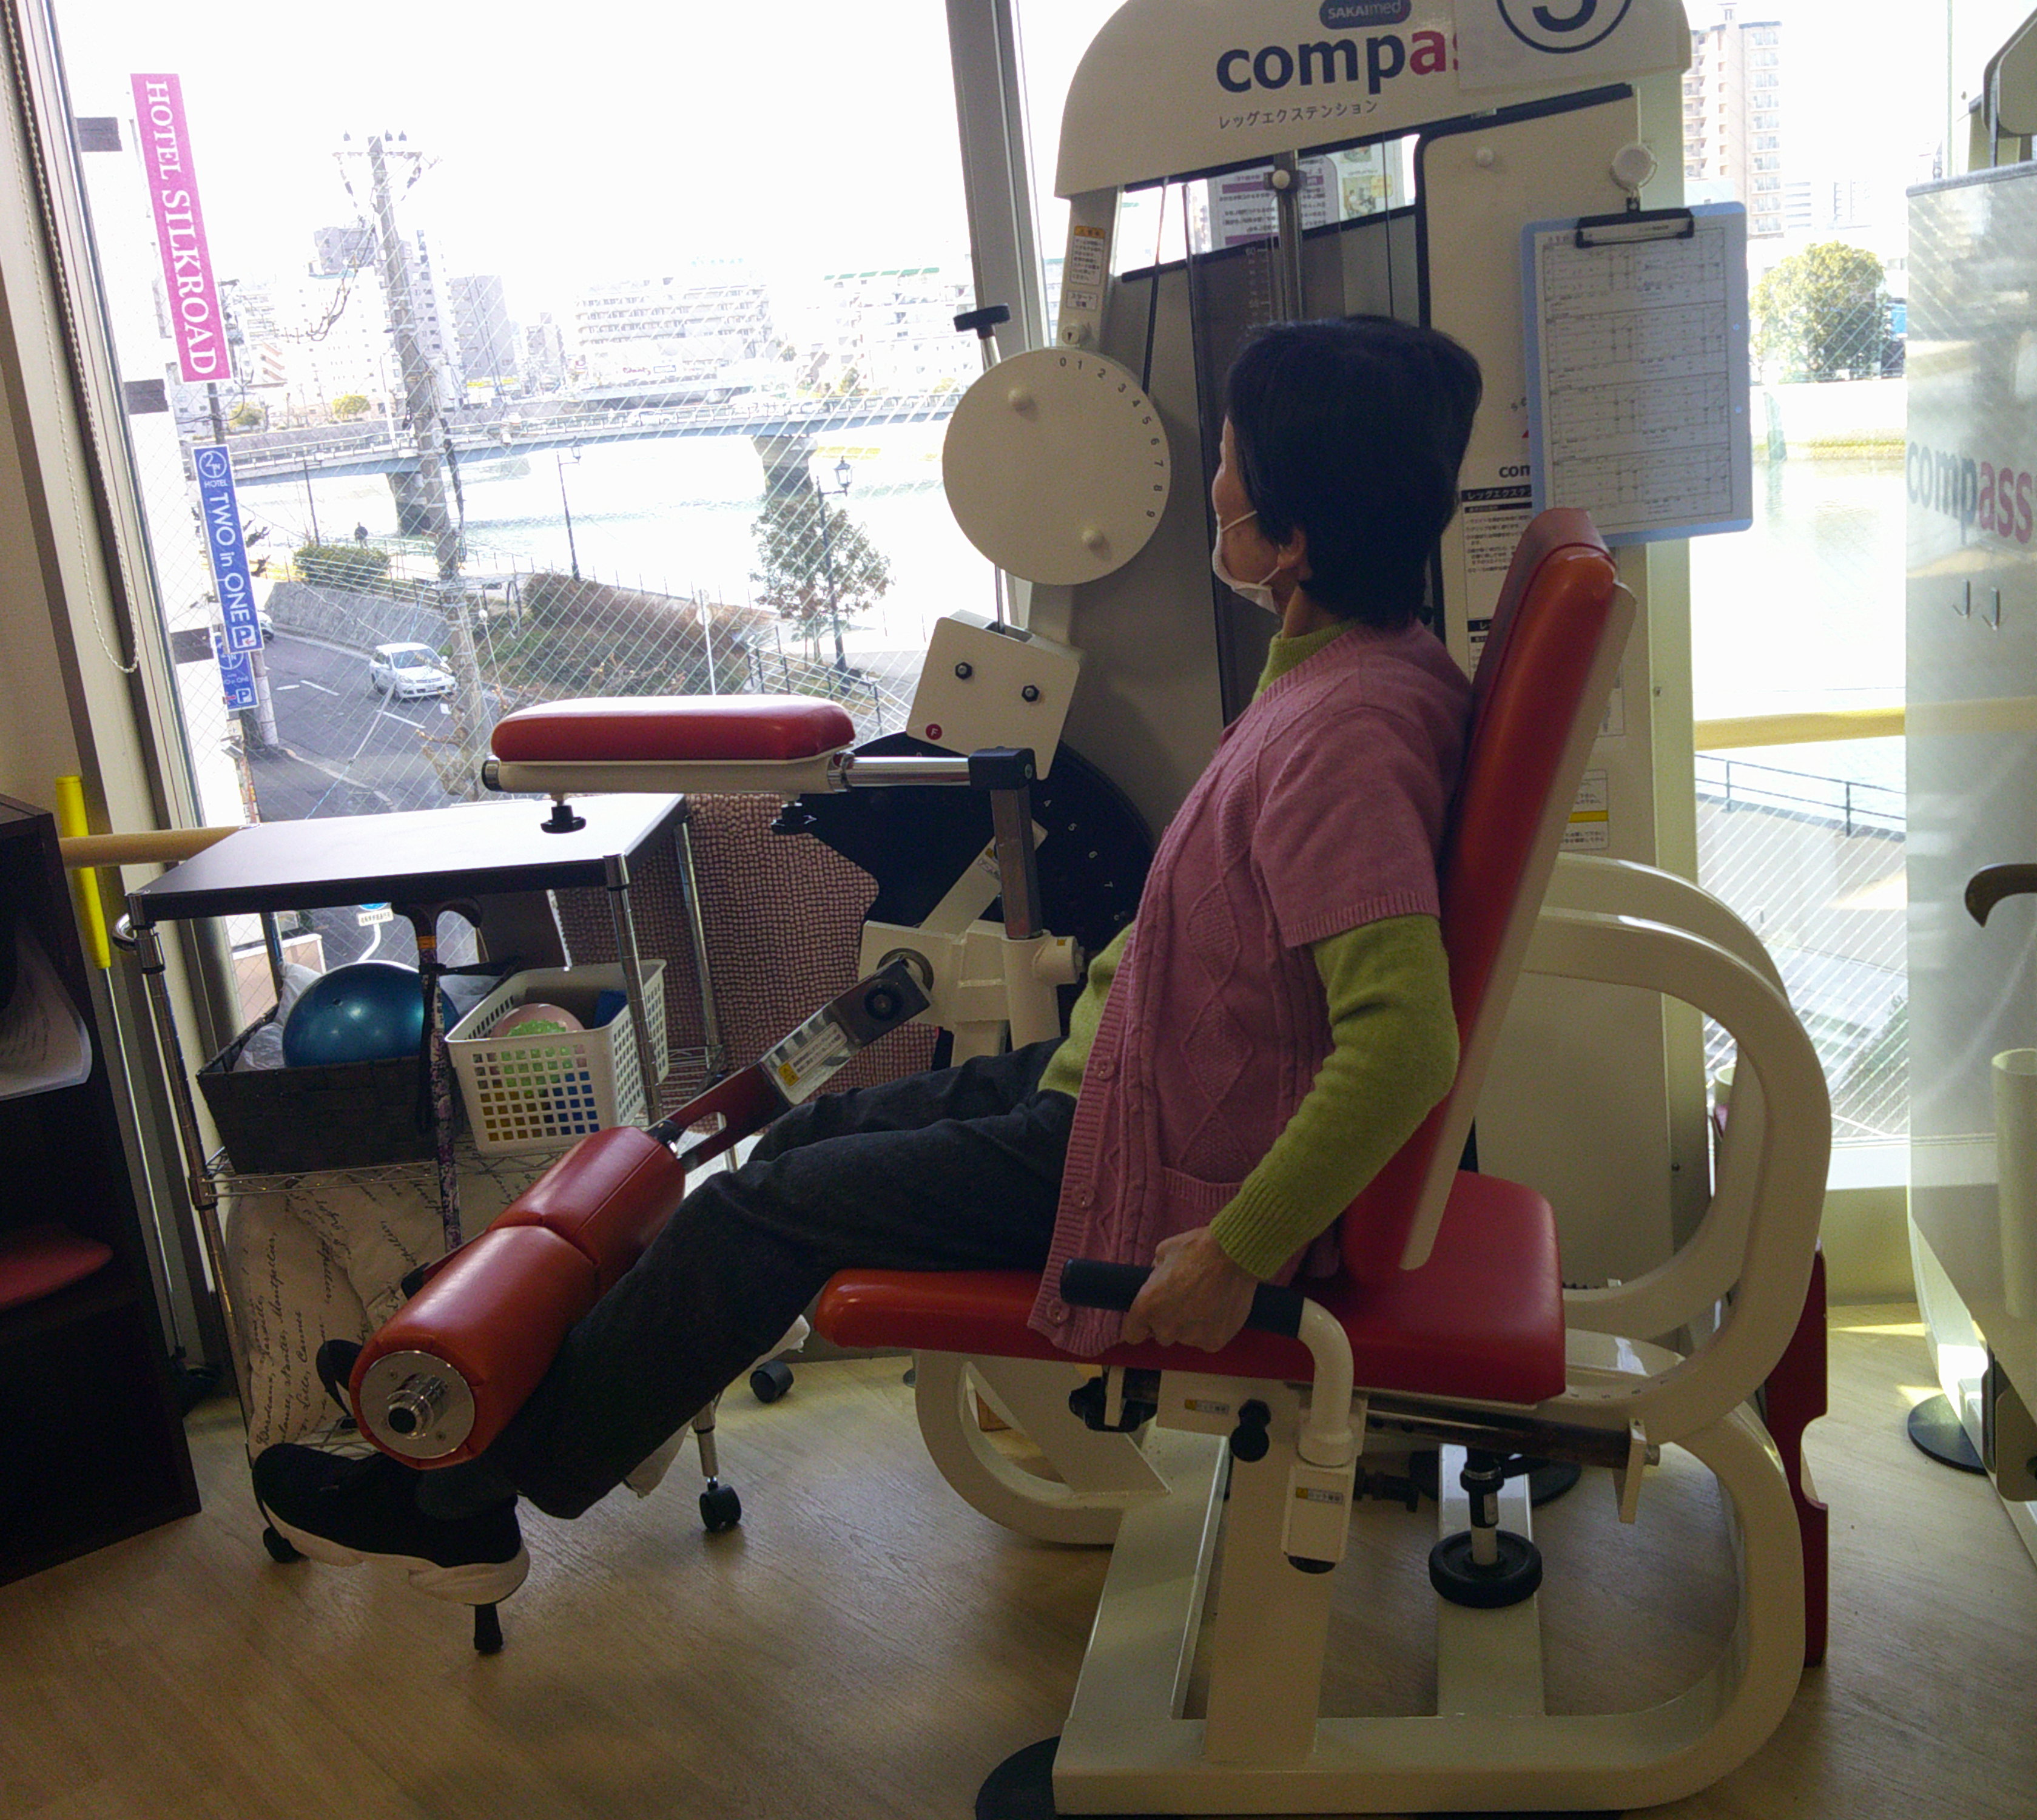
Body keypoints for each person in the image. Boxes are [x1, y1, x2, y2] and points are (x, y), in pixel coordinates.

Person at [254, 317, 1487, 1604]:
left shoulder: (1343, 738)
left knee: (750, 1211)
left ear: (1289, 540)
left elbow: (1404, 1042)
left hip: (1145, 1157)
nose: (1212, 484)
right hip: (1119, 1088)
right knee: (800, 1138)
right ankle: (601, 1385)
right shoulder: (1347, 678)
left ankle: (458, 1504)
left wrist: (1230, 1253)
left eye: (1228, 460)